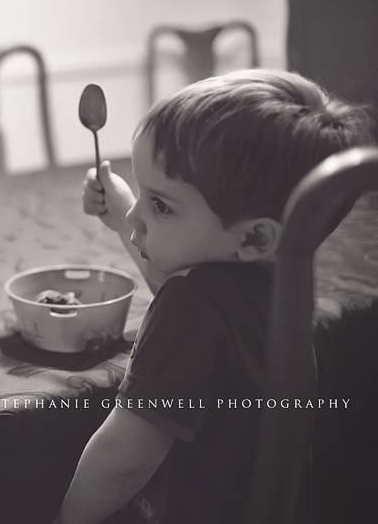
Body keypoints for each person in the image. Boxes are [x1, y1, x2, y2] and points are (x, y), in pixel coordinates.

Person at [57, 69, 374, 524]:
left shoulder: (191, 303)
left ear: (254, 238)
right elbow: (184, 289)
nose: (133, 214)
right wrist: (125, 216)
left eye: (160, 204)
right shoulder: (283, 279)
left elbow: (125, 453)